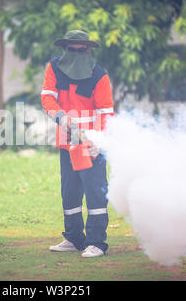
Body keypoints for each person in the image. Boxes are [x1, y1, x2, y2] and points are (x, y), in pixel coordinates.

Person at [40, 30, 114, 258]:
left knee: (95, 194)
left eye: (81, 50)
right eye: (72, 49)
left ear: (88, 50)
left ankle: (97, 243)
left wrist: (98, 141)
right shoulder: (53, 67)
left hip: (91, 145)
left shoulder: (99, 75)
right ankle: (74, 238)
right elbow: (47, 97)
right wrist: (61, 116)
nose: (76, 53)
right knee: (70, 193)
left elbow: (105, 112)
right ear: (65, 49)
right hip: (67, 144)